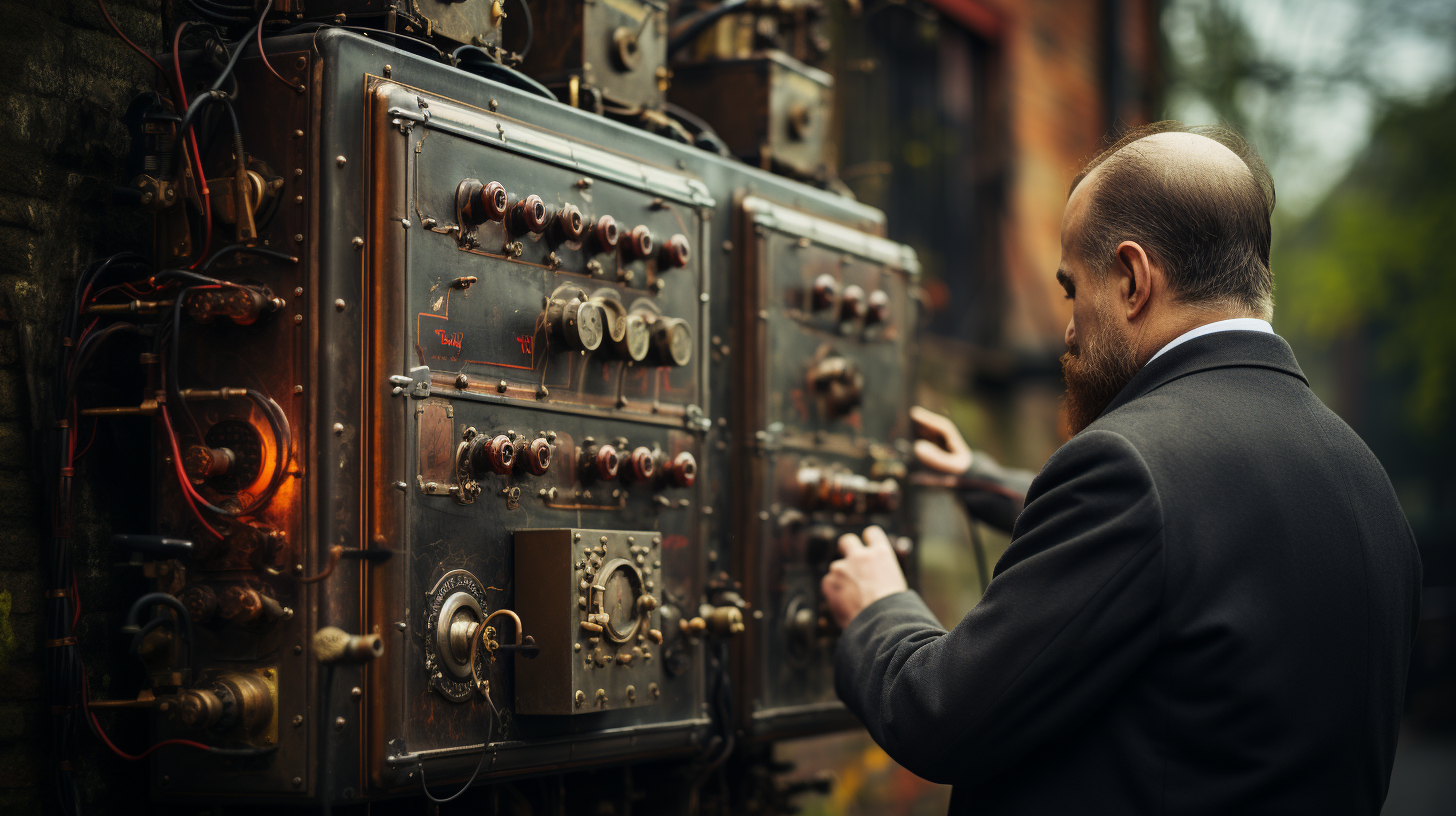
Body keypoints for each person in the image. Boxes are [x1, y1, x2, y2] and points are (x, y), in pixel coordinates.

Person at [821, 121, 1423, 815]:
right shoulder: (1364, 482)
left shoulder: (1130, 468)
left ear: (1134, 279)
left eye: (1072, 289)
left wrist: (877, 607)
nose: (1069, 329)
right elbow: (1196, 552)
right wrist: (977, 480)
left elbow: (937, 715)